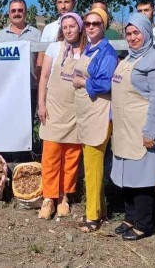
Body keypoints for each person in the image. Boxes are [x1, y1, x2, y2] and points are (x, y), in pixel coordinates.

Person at [110, 12, 155, 241]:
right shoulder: (129, 58)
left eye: (137, 33)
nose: (133, 37)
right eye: (129, 33)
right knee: (127, 177)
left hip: (142, 130)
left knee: (142, 180)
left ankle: (144, 224)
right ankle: (130, 217)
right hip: (125, 129)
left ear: (146, 33)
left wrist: (150, 131)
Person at [36, 12, 87, 220]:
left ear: (80, 28)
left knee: (71, 157)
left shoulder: (86, 50)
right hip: (54, 109)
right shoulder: (54, 48)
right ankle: (49, 198)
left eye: (72, 26)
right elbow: (44, 77)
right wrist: (41, 104)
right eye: (65, 27)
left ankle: (64, 196)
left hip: (76, 111)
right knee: (51, 155)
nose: (68, 30)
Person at [71, 8, 118, 232]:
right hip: (87, 114)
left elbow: (106, 83)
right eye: (88, 23)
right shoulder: (90, 48)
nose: (90, 26)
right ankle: (99, 209)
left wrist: (83, 83)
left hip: (98, 114)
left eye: (96, 23)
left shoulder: (107, 53)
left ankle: (92, 217)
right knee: (92, 164)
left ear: (104, 26)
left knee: (93, 167)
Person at [0, 0, 42, 161]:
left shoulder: (36, 34)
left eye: (20, 10)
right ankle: (3, 160)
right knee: (5, 124)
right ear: (9, 13)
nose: (17, 13)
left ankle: (22, 161)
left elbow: (40, 62)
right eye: (13, 10)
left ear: (25, 12)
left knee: (26, 127)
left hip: (29, 88)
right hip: (6, 90)